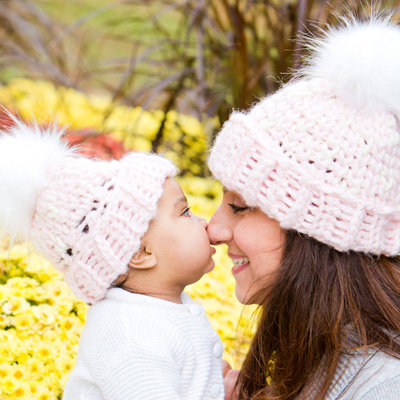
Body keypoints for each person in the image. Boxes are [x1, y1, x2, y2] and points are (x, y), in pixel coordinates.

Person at [207, 13, 400, 400]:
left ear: (316, 233)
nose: (213, 228)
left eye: (240, 207)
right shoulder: (324, 358)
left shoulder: (382, 387)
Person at [0, 117, 224, 399]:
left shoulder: (156, 312)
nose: (204, 222)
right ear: (142, 253)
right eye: (185, 212)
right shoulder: (132, 337)